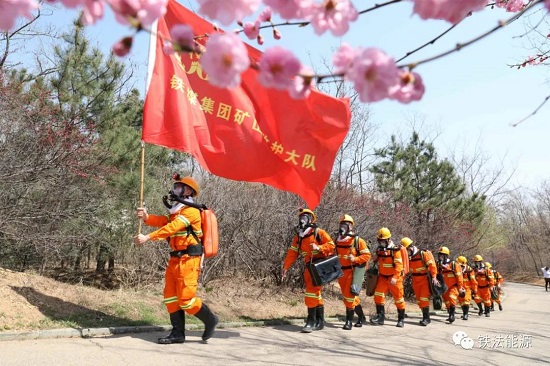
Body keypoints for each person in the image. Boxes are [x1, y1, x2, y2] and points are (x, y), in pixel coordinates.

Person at [134, 175, 218, 344]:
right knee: (170, 297)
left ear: (188, 191)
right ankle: (178, 333)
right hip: (175, 260)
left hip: (189, 260)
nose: (174, 190)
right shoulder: (177, 210)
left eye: (179, 187)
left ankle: (210, 319)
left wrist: (147, 237)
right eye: (175, 186)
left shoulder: (191, 211)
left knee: (186, 300)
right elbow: (164, 221)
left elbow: (171, 228)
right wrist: (147, 217)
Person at [282, 208, 335, 333]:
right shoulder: (299, 236)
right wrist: (286, 267)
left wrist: (319, 247)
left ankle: (310, 321)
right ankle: (320, 321)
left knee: (311, 292)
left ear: (311, 219)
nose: (302, 220)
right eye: (301, 218)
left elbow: (331, 246)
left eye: (305, 218)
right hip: (309, 267)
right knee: (316, 294)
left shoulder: (319, 232)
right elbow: (292, 252)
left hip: (320, 266)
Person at [334, 214, 371, 330]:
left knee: (349, 297)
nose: (343, 226)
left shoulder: (357, 240)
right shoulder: (338, 240)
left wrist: (355, 259)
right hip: (341, 272)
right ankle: (361, 317)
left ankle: (348, 321)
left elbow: (367, 255)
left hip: (352, 272)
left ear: (351, 226)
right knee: (349, 297)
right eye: (342, 224)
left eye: (346, 224)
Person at [370, 227, 406, 328]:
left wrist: (395, 277)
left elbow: (399, 266)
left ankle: (401, 319)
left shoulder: (395, 250)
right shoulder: (380, 250)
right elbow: (375, 259)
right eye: (379, 240)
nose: (381, 242)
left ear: (388, 240)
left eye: (382, 240)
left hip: (394, 278)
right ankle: (380, 317)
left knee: (398, 299)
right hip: (382, 277)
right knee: (378, 295)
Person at [402, 237, 439, 326]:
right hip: (415, 280)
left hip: (424, 280)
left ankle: (426, 318)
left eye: (406, 251)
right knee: (419, 300)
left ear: (410, 248)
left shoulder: (423, 253)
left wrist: (434, 277)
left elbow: (432, 266)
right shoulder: (409, 257)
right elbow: (406, 269)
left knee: (423, 298)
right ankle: (426, 317)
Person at [436, 246, 464, 324]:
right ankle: (450, 314)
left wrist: (460, 287)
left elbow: (459, 277)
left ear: (446, 256)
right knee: (447, 302)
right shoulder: (438, 264)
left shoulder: (454, 264)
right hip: (444, 287)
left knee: (452, 298)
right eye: (439, 255)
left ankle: (452, 315)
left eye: (442, 255)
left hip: (453, 286)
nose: (440, 257)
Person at [456, 256, 477, 320]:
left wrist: (474, 290)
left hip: (467, 288)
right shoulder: (456, 268)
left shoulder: (469, 270)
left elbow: (473, 281)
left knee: (466, 301)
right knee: (461, 302)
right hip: (459, 288)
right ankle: (464, 313)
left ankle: (466, 314)